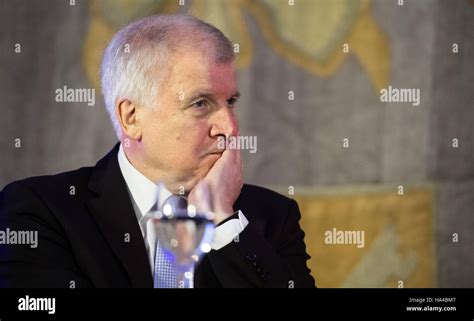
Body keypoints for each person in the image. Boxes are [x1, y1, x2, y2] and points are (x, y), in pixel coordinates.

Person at [0, 14, 315, 288]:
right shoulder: (40, 212)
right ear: (131, 117)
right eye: (201, 103)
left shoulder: (270, 217)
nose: (229, 127)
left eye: (230, 102)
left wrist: (222, 220)